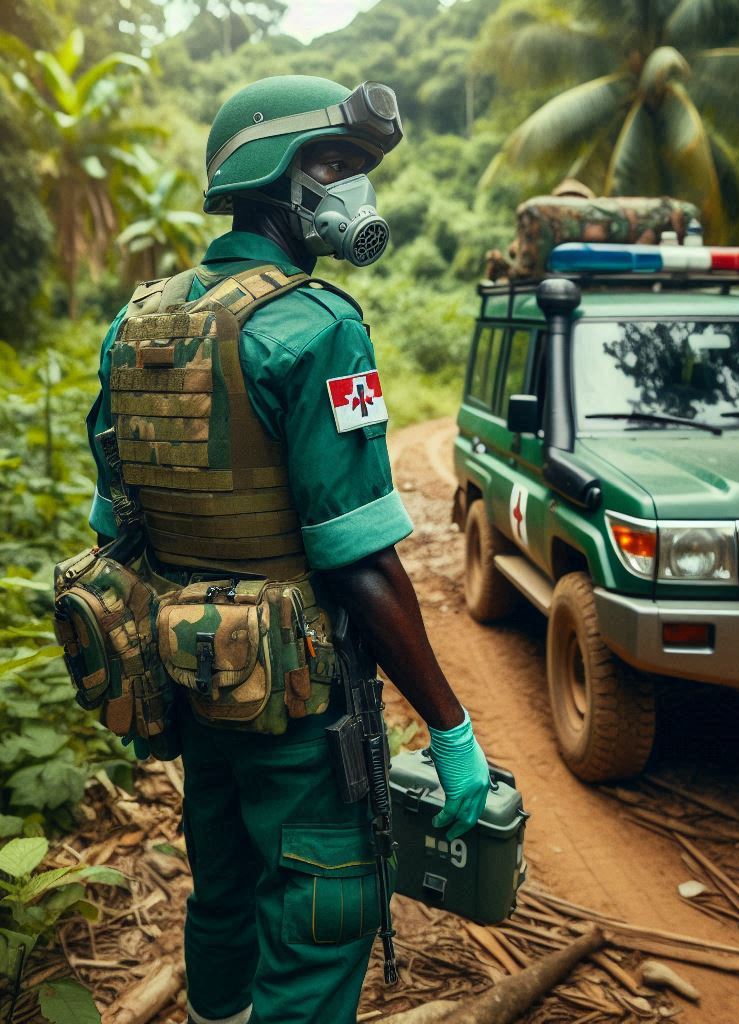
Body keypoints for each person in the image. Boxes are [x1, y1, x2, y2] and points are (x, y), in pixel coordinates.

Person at [84, 76, 492, 1024]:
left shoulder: (134, 322)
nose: (354, 189)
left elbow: (115, 525)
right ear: (270, 173)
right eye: (334, 164)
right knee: (318, 920)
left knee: (222, 894)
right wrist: (451, 728)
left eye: (356, 168)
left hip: (192, 686)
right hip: (300, 707)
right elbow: (360, 558)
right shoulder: (319, 327)